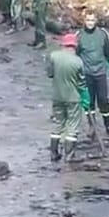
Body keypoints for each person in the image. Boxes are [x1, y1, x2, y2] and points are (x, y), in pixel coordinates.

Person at [45, 31, 86, 162]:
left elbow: (50, 74)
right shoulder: (78, 61)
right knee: (72, 126)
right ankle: (70, 155)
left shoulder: (53, 56)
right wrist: (86, 98)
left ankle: (53, 153)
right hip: (73, 98)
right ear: (74, 46)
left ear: (63, 45)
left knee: (58, 123)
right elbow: (81, 83)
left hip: (57, 96)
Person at [75, 12, 109, 136]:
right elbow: (75, 56)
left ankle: (108, 125)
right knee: (89, 102)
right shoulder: (79, 36)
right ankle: (92, 126)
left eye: (92, 20)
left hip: (100, 72)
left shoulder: (103, 34)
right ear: (84, 21)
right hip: (86, 74)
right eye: (88, 20)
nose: (90, 23)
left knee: (103, 99)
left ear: (96, 21)